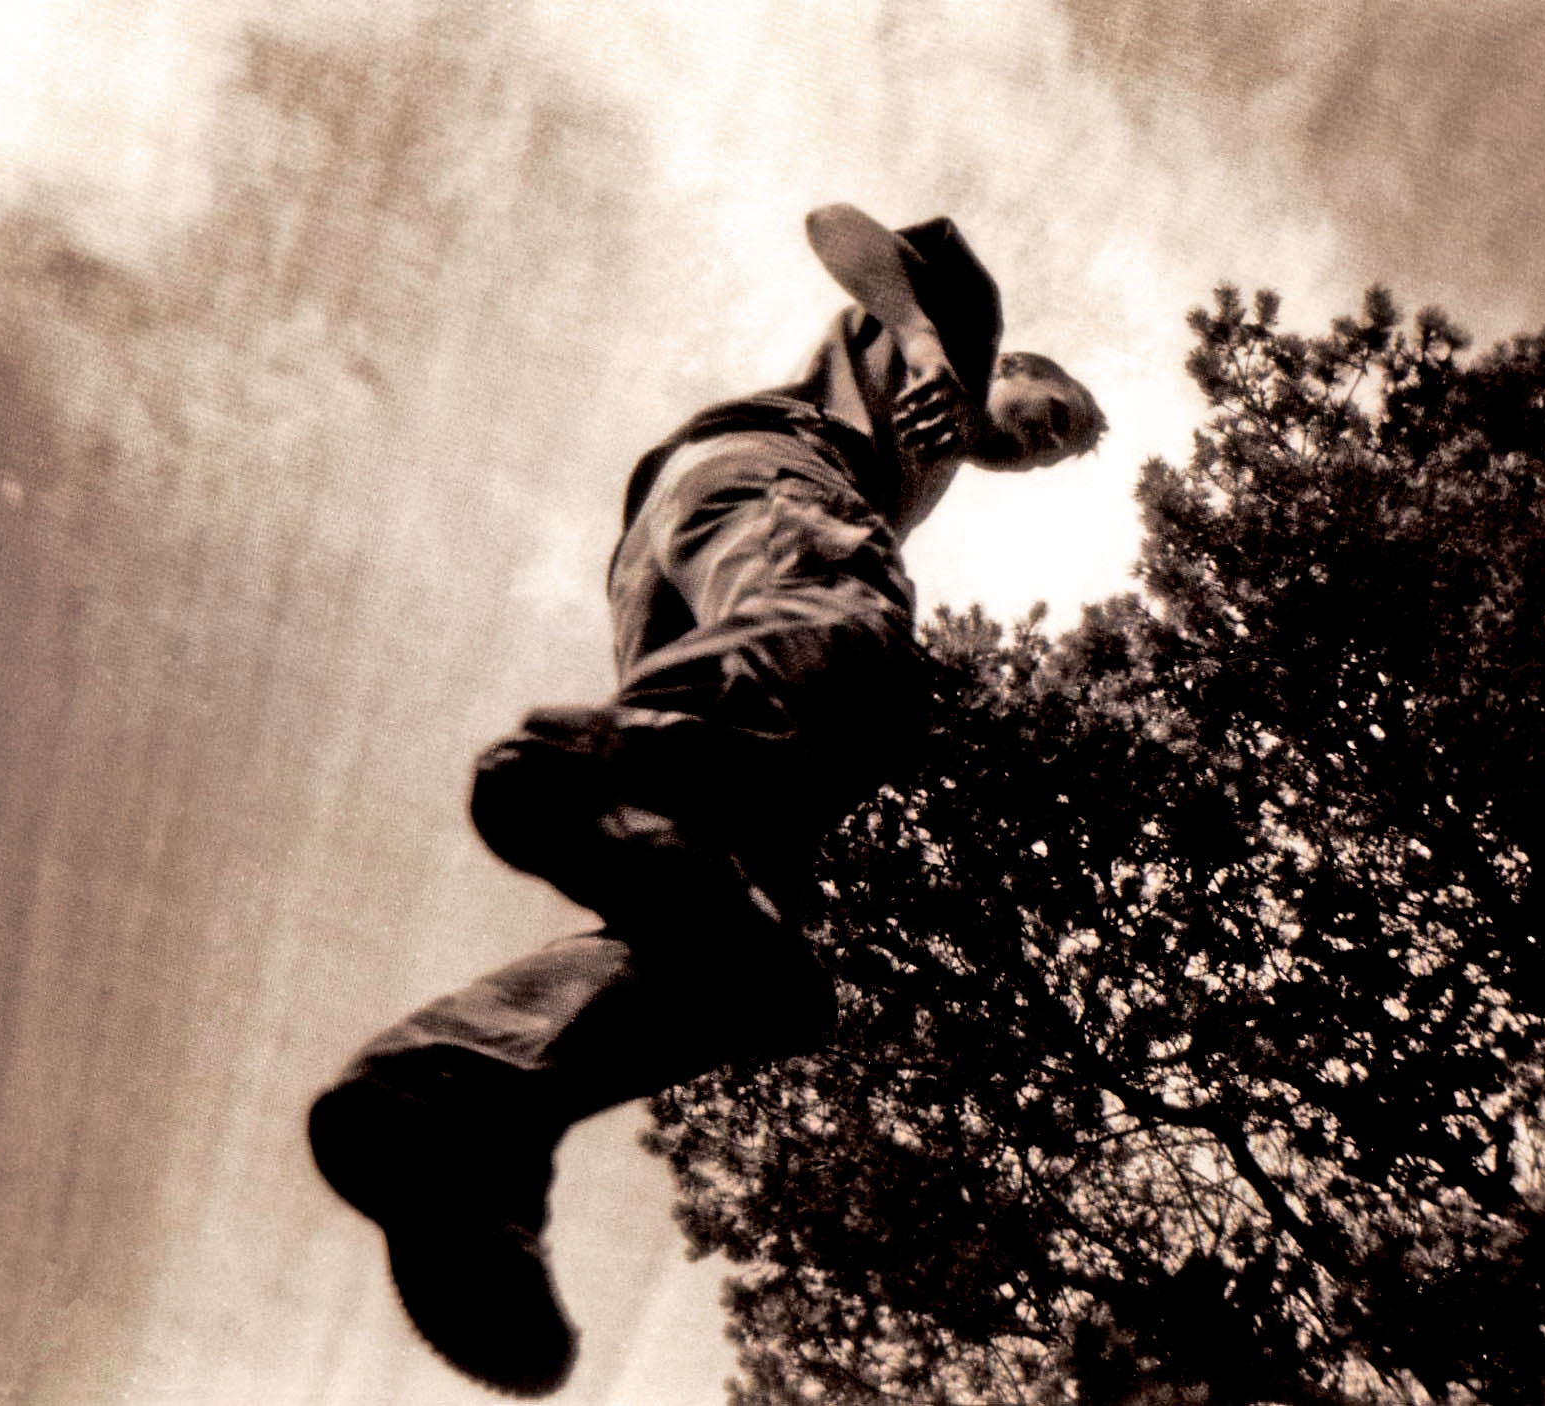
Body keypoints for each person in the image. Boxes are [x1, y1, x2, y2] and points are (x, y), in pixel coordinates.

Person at [307, 204, 1106, 1396]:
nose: (1036, 448)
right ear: (1024, 368)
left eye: (1051, 454)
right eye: (1051, 420)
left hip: (673, 557)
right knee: (850, 631)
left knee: (750, 960)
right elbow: (839, 226)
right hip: (769, 490)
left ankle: (458, 1109)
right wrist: (931, 341)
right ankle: (594, 760)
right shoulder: (960, 335)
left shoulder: (908, 473)